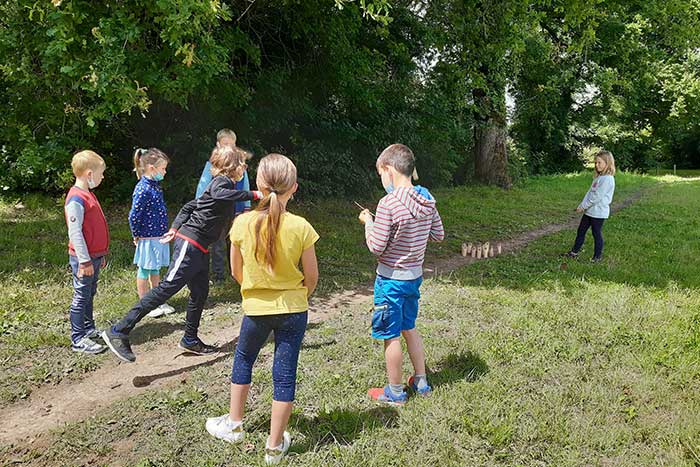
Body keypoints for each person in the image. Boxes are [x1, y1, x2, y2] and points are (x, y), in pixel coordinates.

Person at [205, 154, 319, 466]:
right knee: (284, 374)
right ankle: (273, 446)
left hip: (255, 309)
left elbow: (235, 271)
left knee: (243, 359)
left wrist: (255, 291)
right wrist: (297, 296)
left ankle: (234, 424)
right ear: (293, 188)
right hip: (294, 310)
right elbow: (312, 277)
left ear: (257, 184)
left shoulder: (241, 223)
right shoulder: (301, 227)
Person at [102, 146, 263, 362]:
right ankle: (119, 330)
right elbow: (219, 194)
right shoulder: (222, 183)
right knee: (167, 288)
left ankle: (190, 339)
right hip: (190, 244)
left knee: (199, 292)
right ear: (230, 166)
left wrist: (174, 227)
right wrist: (254, 194)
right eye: (242, 162)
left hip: (200, 247)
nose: (244, 166)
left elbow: (189, 206)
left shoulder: (224, 185)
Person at [358, 143, 444, 405]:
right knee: (410, 327)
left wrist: (368, 223)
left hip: (390, 281)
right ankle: (421, 381)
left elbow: (376, 246)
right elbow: (439, 235)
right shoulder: (427, 199)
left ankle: (394, 392)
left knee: (391, 335)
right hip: (413, 278)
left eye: (380, 174)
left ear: (389, 169)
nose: (382, 180)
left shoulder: (388, 203)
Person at [64, 150, 110, 354]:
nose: (103, 177)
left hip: (94, 256)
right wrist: (84, 261)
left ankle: (88, 328)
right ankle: (78, 338)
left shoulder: (88, 195)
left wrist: (101, 254)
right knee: (81, 295)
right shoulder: (76, 198)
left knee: (90, 293)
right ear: (89, 174)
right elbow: (75, 233)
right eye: (101, 174)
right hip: (84, 259)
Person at [194, 129, 251, 283]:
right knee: (217, 243)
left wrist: (246, 207)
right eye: (225, 144)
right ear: (218, 145)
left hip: (236, 211)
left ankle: (236, 272)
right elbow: (202, 189)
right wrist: (200, 207)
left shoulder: (240, 166)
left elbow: (245, 188)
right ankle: (218, 275)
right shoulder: (211, 166)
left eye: (232, 145)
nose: (229, 148)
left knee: (235, 241)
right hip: (217, 212)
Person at [129, 147, 175, 318]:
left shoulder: (155, 186)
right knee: (145, 269)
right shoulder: (143, 188)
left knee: (155, 269)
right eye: (162, 168)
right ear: (151, 168)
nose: (164, 172)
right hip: (147, 237)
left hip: (158, 235)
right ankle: (144, 304)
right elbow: (134, 215)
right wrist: (136, 234)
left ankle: (156, 299)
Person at [563, 150, 616, 262]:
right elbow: (590, 193)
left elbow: (596, 197)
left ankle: (597, 257)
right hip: (589, 212)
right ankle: (574, 253)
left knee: (596, 234)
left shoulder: (608, 179)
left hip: (598, 213)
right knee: (581, 231)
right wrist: (582, 205)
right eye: (595, 163)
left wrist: (584, 206)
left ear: (608, 163)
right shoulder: (599, 177)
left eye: (599, 163)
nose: (596, 165)